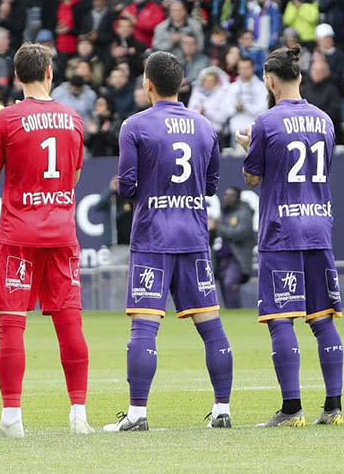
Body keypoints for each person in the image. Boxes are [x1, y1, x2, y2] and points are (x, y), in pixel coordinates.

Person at [105, 51, 232, 432]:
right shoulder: (205, 127)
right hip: (194, 235)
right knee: (211, 325)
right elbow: (211, 186)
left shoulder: (135, 125)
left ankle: (138, 414)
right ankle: (223, 409)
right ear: (182, 85)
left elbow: (126, 186)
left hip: (153, 236)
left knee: (144, 327)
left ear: (148, 85)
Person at [0, 43, 91, 438]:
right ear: (48, 74)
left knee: (11, 325)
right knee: (69, 320)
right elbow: (73, 179)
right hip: (61, 230)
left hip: (18, 233)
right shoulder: (73, 118)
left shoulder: (7, 118)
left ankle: (12, 420)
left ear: (17, 76)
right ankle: (79, 415)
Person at [235, 45, 344, 427]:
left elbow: (252, 177)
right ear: (299, 76)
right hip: (319, 226)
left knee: (282, 318)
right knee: (323, 317)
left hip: (282, 230)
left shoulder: (266, 122)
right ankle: (333, 408)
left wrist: (250, 147)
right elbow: (324, 169)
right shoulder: (325, 121)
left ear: (269, 80)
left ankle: (292, 408)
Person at [212, 187, 254, 310]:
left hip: (236, 258)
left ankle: (235, 312)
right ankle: (229, 314)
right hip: (222, 258)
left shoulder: (244, 213)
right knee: (224, 286)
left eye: (231, 195)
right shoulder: (225, 212)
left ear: (238, 197)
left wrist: (219, 227)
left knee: (230, 283)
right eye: (225, 195)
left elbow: (240, 233)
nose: (227, 197)